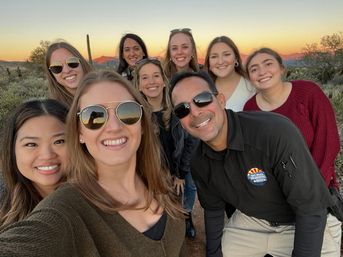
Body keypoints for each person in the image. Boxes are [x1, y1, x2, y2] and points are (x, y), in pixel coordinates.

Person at [0, 70, 187, 257]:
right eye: (94, 116)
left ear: (142, 124)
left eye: (127, 111)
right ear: (79, 132)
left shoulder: (158, 181)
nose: (114, 127)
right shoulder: (65, 209)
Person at [169, 71, 335, 257]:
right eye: (182, 109)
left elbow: (310, 208)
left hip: (306, 220)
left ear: (221, 100)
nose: (195, 112)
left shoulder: (274, 133)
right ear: (180, 121)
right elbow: (214, 211)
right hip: (253, 221)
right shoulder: (198, 160)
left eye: (202, 99)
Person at [243, 47, 342, 256]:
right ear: (250, 78)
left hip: (317, 189)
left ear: (281, 68)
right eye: (254, 68)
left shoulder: (308, 93)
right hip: (277, 196)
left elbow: (329, 142)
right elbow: (257, 157)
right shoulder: (250, 109)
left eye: (268, 64)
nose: (262, 71)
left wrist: (311, 190)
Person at [134, 58, 198, 238]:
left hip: (181, 163)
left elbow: (191, 140)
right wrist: (159, 172)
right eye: (145, 78)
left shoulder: (178, 107)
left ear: (163, 80)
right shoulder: (138, 115)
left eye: (156, 76)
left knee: (188, 187)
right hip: (156, 167)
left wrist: (180, 173)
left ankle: (187, 217)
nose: (151, 82)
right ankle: (167, 224)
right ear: (138, 85)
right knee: (161, 198)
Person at [0, 99, 68, 228]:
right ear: (12, 151)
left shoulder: (101, 199)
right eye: (31, 144)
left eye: (59, 141)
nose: (47, 155)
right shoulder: (3, 205)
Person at [204, 36, 255, 111]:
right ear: (209, 62)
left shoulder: (252, 88)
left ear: (236, 58)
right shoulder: (203, 90)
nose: (220, 62)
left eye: (226, 54)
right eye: (214, 56)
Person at [44, 40, 92, 106]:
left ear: (82, 63)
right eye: (56, 67)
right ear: (51, 74)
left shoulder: (104, 92)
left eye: (72, 62)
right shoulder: (55, 111)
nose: (67, 70)